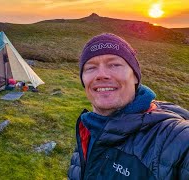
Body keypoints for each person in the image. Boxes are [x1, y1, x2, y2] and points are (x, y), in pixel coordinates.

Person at [67, 33, 189, 180]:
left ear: (135, 77)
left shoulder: (175, 138)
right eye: (91, 68)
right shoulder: (87, 130)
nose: (101, 75)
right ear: (83, 80)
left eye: (114, 64)